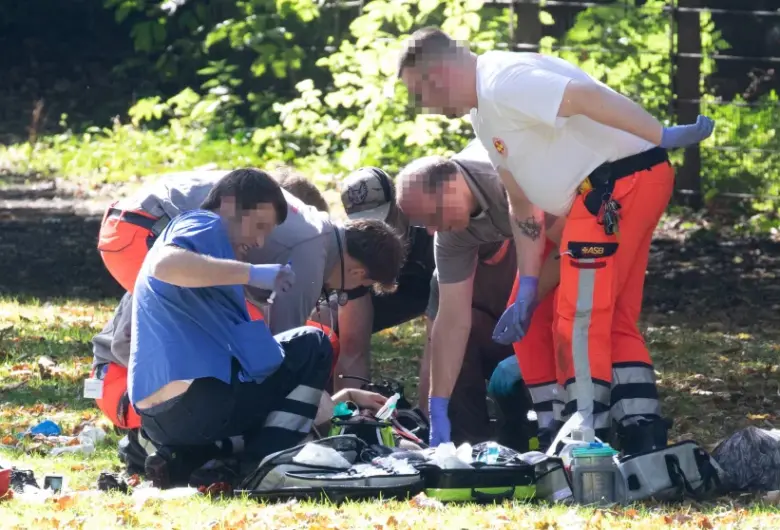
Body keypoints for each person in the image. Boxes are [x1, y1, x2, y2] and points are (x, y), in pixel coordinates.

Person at [395, 27, 716, 453]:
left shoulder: (502, 80)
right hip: (599, 194)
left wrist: (660, 134)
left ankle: (585, 432)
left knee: (580, 316)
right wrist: (529, 284)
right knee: (566, 318)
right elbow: (522, 203)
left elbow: (584, 96)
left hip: (615, 186)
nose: (424, 105)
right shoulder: (483, 113)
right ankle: (615, 427)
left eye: (420, 93)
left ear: (437, 75)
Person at [127, 168, 386, 487]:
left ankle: (191, 460)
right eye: (260, 226)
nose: (260, 241)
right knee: (314, 343)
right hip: (195, 401)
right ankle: (266, 464)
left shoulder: (213, 264)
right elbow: (164, 265)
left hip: (159, 418)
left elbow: (264, 370)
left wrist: (342, 397)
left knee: (271, 387)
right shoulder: (205, 224)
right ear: (229, 205)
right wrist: (252, 273)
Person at [395, 140, 559, 448]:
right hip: (515, 313)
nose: (431, 230)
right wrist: (437, 404)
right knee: (463, 332)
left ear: (450, 187)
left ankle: (582, 429)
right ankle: (467, 446)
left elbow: (571, 245)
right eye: (423, 224)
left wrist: (531, 293)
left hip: (588, 228)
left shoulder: (506, 178)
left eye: (432, 217)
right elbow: (451, 321)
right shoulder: (449, 233)